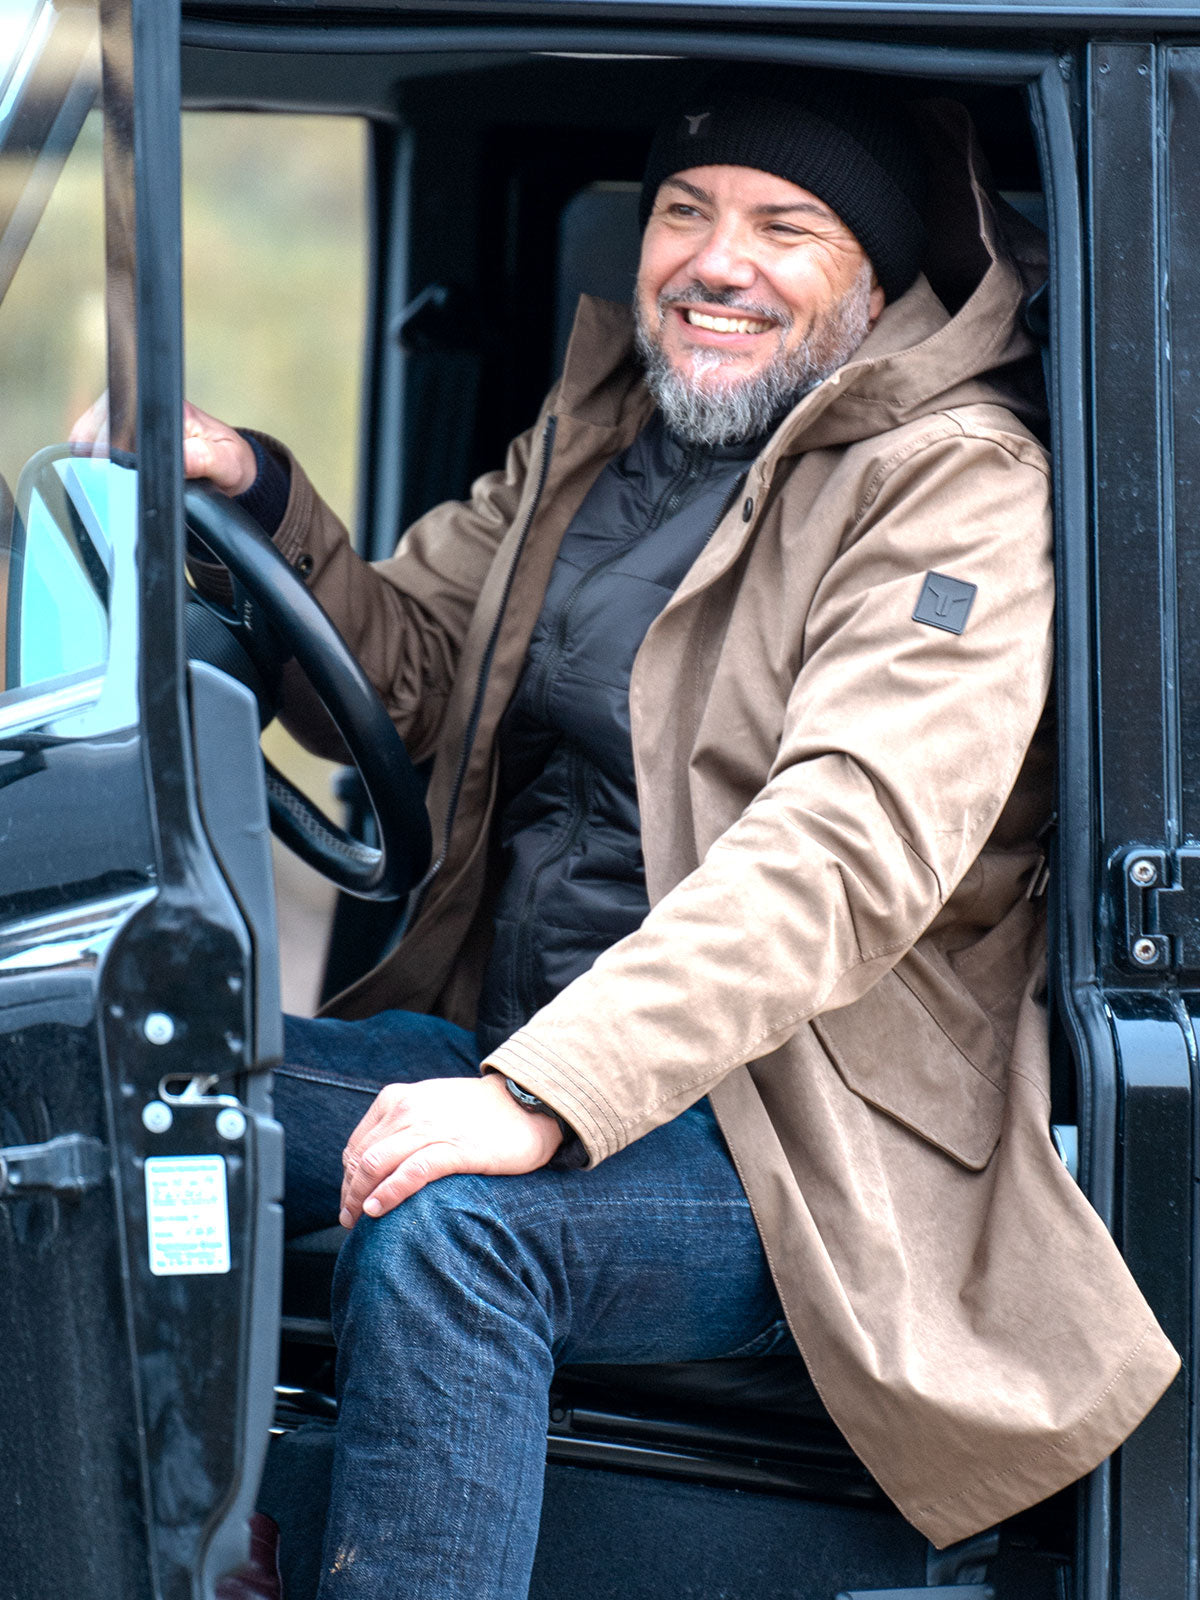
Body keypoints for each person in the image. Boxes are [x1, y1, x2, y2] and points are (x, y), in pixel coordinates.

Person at [116, 67, 1179, 1599]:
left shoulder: (956, 491)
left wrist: (543, 1093)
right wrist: (258, 494)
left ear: (873, 279)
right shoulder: (618, 436)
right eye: (686, 211)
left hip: (797, 1152)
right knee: (103, 1077)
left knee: (457, 1231)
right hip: (523, 1054)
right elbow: (408, 672)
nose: (717, 259)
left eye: (784, 224)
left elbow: (842, 849)